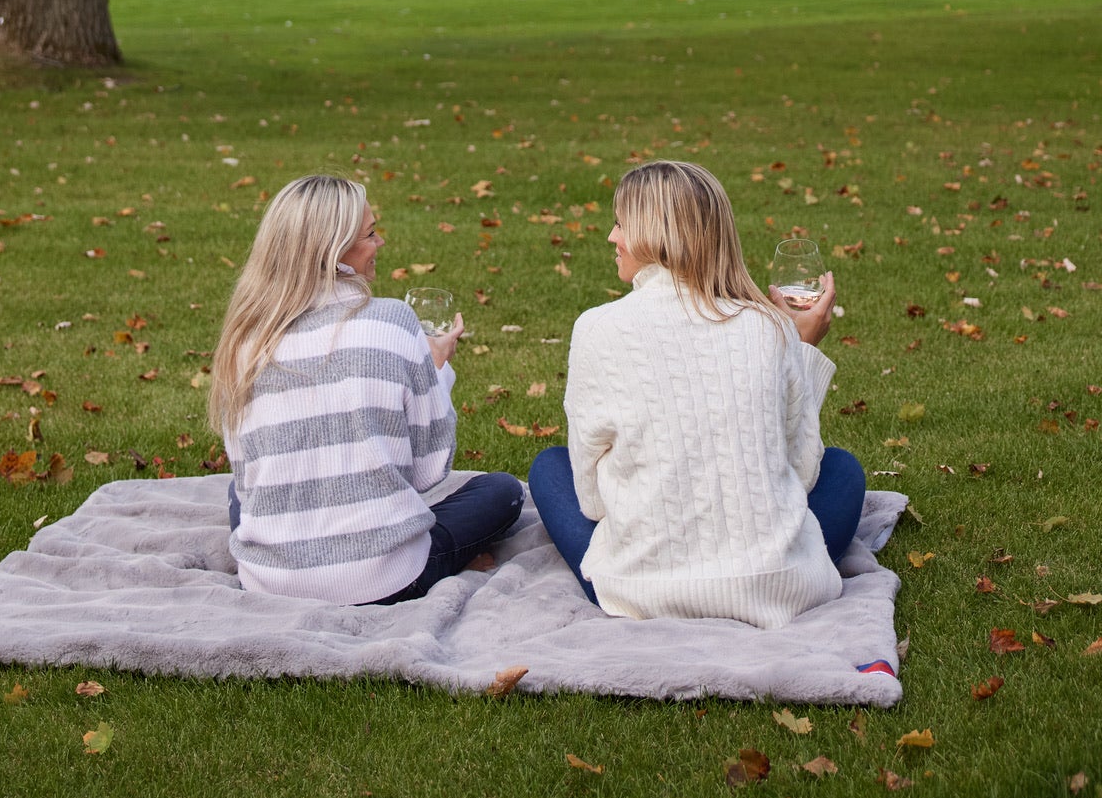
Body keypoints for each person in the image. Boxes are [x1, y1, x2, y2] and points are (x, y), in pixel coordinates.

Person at [529, 161, 867, 628]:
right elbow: (799, 472)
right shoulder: (771, 328)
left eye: (622, 224)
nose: (611, 236)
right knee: (843, 470)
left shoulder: (597, 329)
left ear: (655, 235)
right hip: (775, 585)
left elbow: (591, 503)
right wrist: (800, 346)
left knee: (549, 467)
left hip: (643, 592)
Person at [210, 173, 523, 605]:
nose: (380, 244)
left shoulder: (246, 342)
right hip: (385, 583)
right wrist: (434, 368)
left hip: (269, 583)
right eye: (370, 234)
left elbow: (247, 484)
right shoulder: (393, 321)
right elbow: (430, 469)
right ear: (333, 253)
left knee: (235, 493)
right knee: (503, 492)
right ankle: (433, 559)